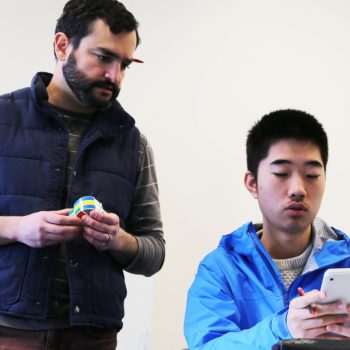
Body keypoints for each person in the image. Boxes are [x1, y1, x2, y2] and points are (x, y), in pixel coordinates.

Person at [0, 0, 165, 349]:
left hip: (94, 337)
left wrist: (118, 240)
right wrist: (19, 228)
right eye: (103, 57)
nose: (114, 76)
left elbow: (155, 252)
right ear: (62, 46)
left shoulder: (134, 144)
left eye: (124, 64)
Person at [184, 109, 350, 349]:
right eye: (282, 173)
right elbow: (206, 346)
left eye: (312, 175)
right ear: (252, 183)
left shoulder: (345, 261)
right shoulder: (219, 270)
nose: (298, 189)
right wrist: (283, 329)